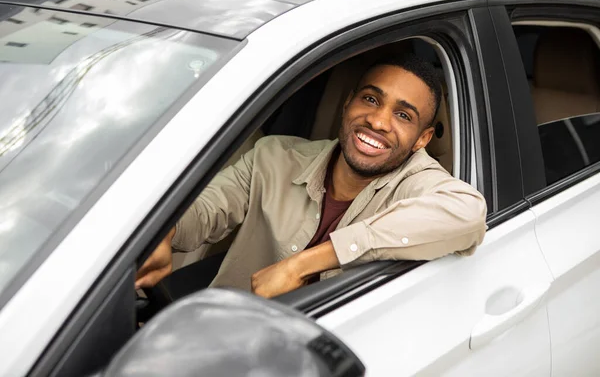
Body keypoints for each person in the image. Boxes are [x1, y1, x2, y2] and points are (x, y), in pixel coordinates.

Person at [135, 54, 487, 298]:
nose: (379, 122)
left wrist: (302, 265)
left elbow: (469, 213)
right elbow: (207, 207)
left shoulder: (418, 184)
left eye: (404, 116)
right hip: (226, 336)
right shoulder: (274, 157)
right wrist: (168, 229)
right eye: (370, 99)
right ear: (348, 103)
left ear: (422, 140)